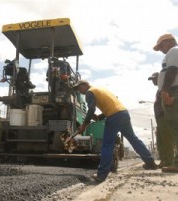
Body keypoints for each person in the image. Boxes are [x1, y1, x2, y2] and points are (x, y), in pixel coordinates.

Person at [72, 80, 157, 183]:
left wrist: (84, 125)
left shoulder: (90, 92)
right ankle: (150, 162)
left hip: (114, 117)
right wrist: (101, 116)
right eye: (77, 90)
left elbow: (91, 110)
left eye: (79, 88)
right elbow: (111, 105)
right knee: (133, 139)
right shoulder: (100, 89)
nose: (79, 91)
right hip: (123, 113)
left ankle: (101, 175)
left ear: (85, 85)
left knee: (107, 144)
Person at [153, 33, 178, 173]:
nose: (161, 49)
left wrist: (165, 91)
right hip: (172, 91)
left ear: (169, 41)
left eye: (161, 45)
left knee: (176, 128)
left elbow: (172, 70)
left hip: (173, 91)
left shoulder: (174, 51)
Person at [148, 72, 174, 168]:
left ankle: (168, 162)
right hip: (160, 118)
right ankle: (164, 160)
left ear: (160, 78)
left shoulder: (165, 88)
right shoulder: (159, 90)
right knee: (160, 141)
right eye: (152, 79)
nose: (153, 81)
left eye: (154, 79)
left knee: (166, 140)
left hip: (164, 117)